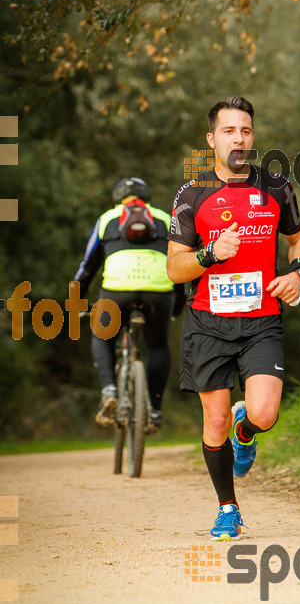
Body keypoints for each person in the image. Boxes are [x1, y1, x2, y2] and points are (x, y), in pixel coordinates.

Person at [167, 96, 300, 540]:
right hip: (208, 321)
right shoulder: (191, 196)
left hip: (261, 320)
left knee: (266, 413)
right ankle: (228, 508)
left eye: (245, 131)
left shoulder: (277, 188)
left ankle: (245, 429)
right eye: (229, 131)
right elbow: (175, 267)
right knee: (213, 421)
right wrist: (210, 253)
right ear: (212, 139)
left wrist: (299, 274)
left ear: (253, 136)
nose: (239, 139)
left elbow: (299, 239)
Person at [74, 177, 185, 431]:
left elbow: (88, 267)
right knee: (158, 345)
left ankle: (110, 389)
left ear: (117, 200)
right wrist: (176, 306)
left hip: (117, 291)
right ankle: (155, 410)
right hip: (159, 291)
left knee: (102, 337)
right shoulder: (165, 219)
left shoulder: (107, 219)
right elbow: (178, 264)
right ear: (148, 199)